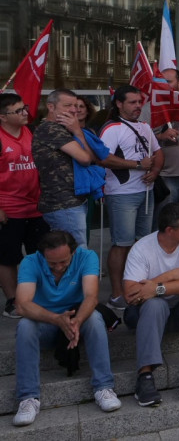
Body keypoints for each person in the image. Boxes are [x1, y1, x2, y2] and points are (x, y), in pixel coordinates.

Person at [11, 230, 120, 426]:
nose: (59, 267)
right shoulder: (30, 261)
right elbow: (22, 305)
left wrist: (76, 322)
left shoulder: (87, 257)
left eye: (64, 261)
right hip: (46, 323)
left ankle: (104, 387)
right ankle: (28, 397)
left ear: (73, 251)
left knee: (94, 318)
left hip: (76, 320)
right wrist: (56, 319)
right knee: (25, 325)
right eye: (52, 263)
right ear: (42, 254)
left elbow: (91, 297)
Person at [122, 203, 179, 406]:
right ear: (170, 230)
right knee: (155, 305)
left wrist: (158, 287)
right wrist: (169, 276)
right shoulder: (142, 248)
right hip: (147, 315)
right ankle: (145, 376)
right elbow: (131, 295)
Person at [100, 85, 164, 310]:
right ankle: (117, 293)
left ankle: (137, 287)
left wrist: (155, 172)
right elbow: (103, 158)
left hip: (145, 191)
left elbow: (157, 152)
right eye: (132, 102)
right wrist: (137, 165)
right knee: (122, 244)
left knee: (142, 243)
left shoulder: (145, 126)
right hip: (122, 193)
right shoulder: (113, 128)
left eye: (140, 102)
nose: (138, 106)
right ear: (119, 104)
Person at [32, 90, 99, 250]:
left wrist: (77, 132)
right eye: (67, 105)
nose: (73, 110)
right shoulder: (50, 129)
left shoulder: (64, 129)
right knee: (75, 252)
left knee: (75, 252)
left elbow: (91, 159)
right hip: (63, 203)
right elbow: (84, 158)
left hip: (73, 200)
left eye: (76, 106)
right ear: (51, 107)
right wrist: (77, 131)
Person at [0, 94, 46, 319]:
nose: (24, 113)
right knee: (8, 258)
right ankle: (12, 301)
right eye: (17, 111)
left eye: (24, 108)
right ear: (2, 117)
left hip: (36, 207)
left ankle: (36, 296)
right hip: (9, 209)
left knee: (39, 254)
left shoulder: (32, 132)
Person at [154, 68, 179, 214]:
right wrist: (161, 136)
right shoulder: (152, 107)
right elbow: (141, 138)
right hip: (166, 175)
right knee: (166, 219)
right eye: (161, 82)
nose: (164, 85)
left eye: (168, 82)